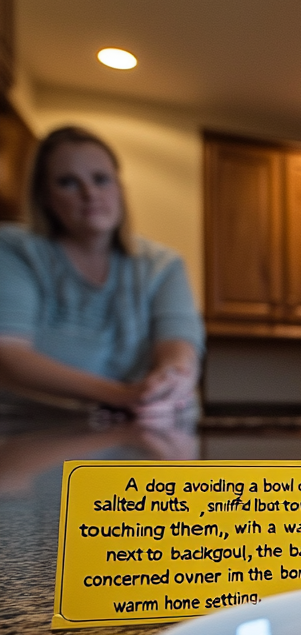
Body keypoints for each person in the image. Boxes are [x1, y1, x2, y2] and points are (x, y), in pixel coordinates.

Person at [0, 126, 204, 423]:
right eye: (68, 182)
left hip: (148, 426)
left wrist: (171, 378)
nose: (90, 193)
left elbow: (179, 344)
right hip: (35, 427)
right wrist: (120, 395)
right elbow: (8, 355)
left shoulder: (164, 264)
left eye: (101, 179)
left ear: (120, 188)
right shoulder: (14, 250)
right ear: (45, 196)